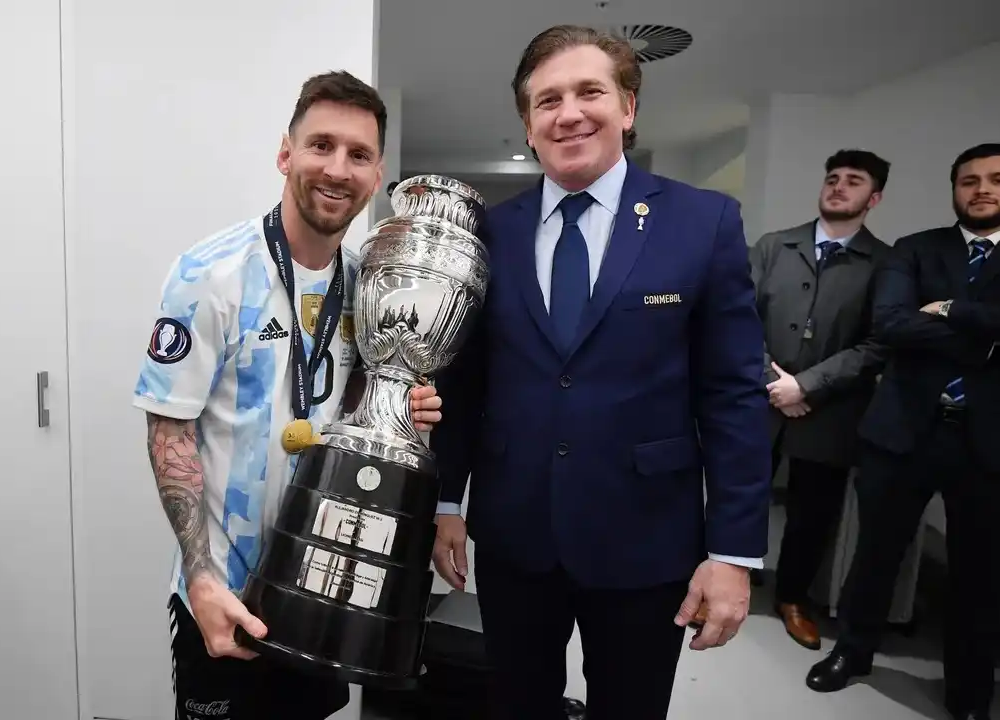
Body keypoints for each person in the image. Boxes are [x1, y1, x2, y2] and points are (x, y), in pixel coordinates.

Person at [429, 25, 772, 719]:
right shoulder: (489, 234)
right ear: (527, 125)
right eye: (546, 100)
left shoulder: (702, 223)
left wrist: (733, 553)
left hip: (646, 536)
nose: (568, 113)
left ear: (628, 107)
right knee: (516, 703)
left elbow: (733, 394)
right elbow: (464, 384)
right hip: (514, 532)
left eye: (589, 91)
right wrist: (445, 504)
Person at [131, 71, 442, 720]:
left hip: (322, 591)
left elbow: (357, 412)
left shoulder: (369, 285)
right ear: (285, 154)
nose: (337, 169)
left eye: (358, 155)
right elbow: (170, 432)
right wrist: (200, 576)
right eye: (320, 145)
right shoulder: (209, 273)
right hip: (227, 594)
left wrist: (402, 413)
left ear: (377, 173)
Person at [805, 143, 1000, 720]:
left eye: (993, 179)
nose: (981, 189)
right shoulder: (916, 250)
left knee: (980, 571)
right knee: (875, 555)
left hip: (987, 440)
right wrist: (986, 336)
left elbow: (917, 325)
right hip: (904, 429)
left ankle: (968, 687)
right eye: (968, 180)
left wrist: (949, 312)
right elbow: (889, 324)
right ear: (954, 189)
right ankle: (854, 652)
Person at [737, 149, 890, 649]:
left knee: (811, 511)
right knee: (740, 492)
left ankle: (793, 597)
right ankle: (733, 574)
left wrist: (805, 387)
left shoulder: (884, 263)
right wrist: (771, 383)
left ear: (875, 197)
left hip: (830, 409)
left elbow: (878, 343)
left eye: (854, 181)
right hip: (758, 400)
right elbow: (735, 317)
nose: (839, 187)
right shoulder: (774, 246)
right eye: (833, 178)